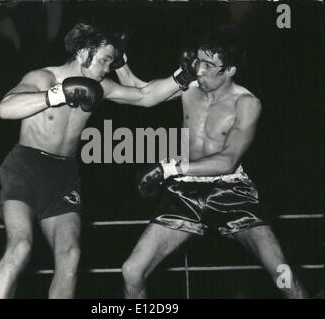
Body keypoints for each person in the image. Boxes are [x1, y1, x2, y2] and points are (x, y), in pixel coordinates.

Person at [0, 23, 188, 299]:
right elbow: (4, 108)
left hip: (63, 173)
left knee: (70, 255)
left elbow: (144, 96)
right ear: (83, 53)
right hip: (26, 167)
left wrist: (181, 78)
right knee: (20, 246)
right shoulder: (44, 77)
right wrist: (55, 95)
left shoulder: (100, 85)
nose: (107, 68)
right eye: (104, 59)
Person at [117, 26, 309, 299]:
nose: (199, 71)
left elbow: (228, 160)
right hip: (185, 192)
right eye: (198, 61)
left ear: (229, 69)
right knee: (131, 271)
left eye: (209, 65)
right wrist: (120, 63)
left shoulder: (247, 103)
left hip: (231, 192)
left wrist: (169, 168)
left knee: (282, 274)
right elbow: (142, 93)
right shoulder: (190, 87)